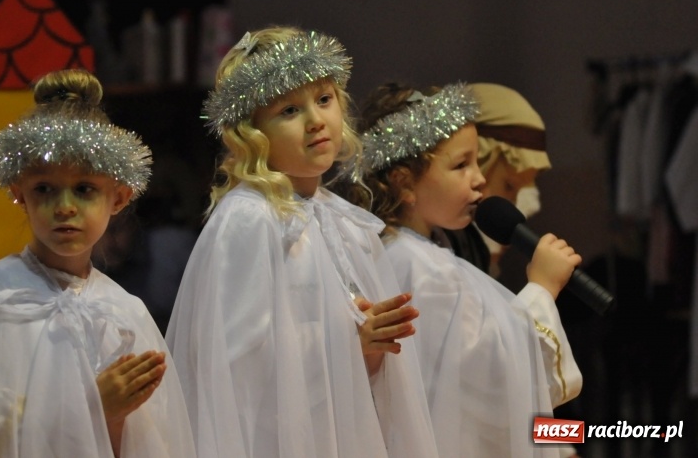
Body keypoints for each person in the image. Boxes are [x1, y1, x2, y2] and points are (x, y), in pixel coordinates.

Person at [165, 27, 437, 458]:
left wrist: (368, 345)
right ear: (252, 132)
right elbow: (235, 369)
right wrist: (347, 344)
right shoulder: (251, 218)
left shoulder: (340, 217)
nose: (316, 120)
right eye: (290, 109)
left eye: (324, 99)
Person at [0, 70, 196, 458]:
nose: (65, 207)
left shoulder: (127, 314)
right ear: (19, 194)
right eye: (44, 189)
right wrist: (90, 408)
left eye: (85, 189)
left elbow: (154, 443)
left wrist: (112, 419)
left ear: (119, 197)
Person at [354, 81, 583, 458]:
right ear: (404, 183)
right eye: (461, 165)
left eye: (477, 161)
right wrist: (542, 289)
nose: (478, 178)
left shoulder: (425, 250)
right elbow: (486, 377)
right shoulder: (419, 266)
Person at [442, 83, 551, 281]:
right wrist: (543, 287)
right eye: (509, 186)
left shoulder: (472, 247)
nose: (515, 204)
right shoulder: (433, 252)